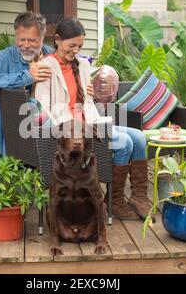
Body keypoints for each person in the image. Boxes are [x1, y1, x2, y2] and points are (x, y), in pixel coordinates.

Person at [34, 17, 151, 220]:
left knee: (139, 137)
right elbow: (43, 106)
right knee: (124, 143)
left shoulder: (83, 65)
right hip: (71, 132)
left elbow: (87, 102)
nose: (76, 50)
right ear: (58, 40)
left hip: (90, 123)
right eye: (71, 45)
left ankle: (139, 197)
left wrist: (91, 101)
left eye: (79, 46)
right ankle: (114, 201)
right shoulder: (47, 66)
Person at [0, 11, 94, 155]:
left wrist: (84, 88)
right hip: (14, 133)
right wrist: (27, 77)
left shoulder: (52, 57)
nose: (26, 45)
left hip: (50, 130)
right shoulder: (1, 59)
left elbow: (74, 71)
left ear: (43, 38)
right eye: (21, 39)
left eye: (32, 40)